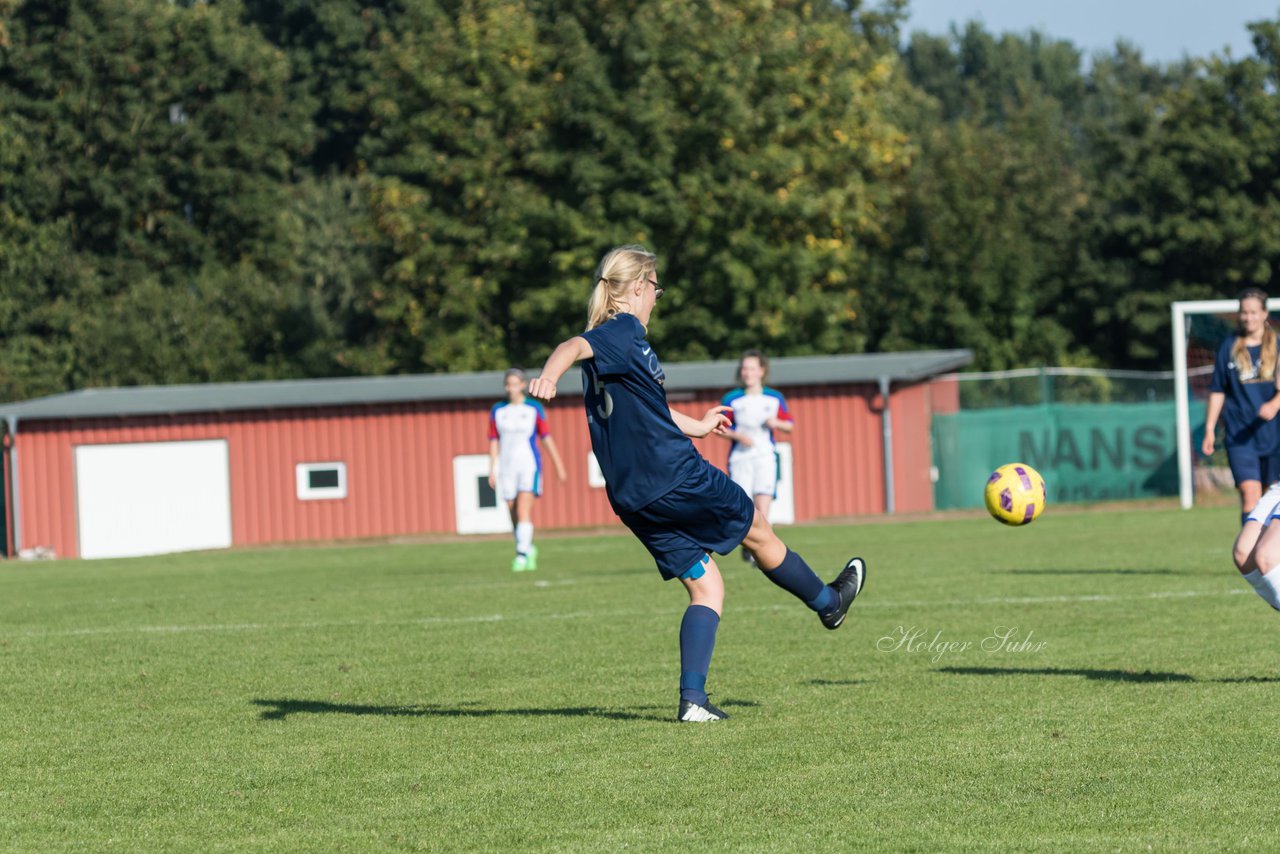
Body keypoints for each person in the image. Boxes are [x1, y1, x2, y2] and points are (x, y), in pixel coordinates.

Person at [527, 245, 866, 723]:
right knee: (759, 529)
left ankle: (693, 702)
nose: (657, 298)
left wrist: (698, 426)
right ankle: (830, 603)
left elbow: (648, 410)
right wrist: (547, 375)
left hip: (632, 497)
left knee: (707, 587)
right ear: (640, 287)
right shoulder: (621, 331)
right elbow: (572, 346)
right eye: (656, 289)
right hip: (676, 476)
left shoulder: (621, 347)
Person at [1202, 287, 1280, 522]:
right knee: (1250, 494)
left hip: (1273, 434)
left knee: (1270, 496)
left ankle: (1268, 554)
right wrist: (1209, 428)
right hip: (1240, 434)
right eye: (1244, 312)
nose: (1249, 317)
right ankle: (1249, 555)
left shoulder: (1277, 345)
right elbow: (1218, 390)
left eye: (1254, 312)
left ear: (1265, 313)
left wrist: (1275, 404)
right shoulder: (1229, 347)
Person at [488, 368, 567, 572]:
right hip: (507, 467)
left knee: (523, 509)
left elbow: (546, 437)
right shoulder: (498, 410)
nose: (511, 388)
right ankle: (527, 547)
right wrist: (492, 468)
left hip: (528, 465)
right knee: (512, 510)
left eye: (514, 384)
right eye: (508, 384)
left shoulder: (533, 408)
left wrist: (558, 465)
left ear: (522, 385)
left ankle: (521, 555)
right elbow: (494, 441)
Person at [719, 350, 794, 563]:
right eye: (744, 368)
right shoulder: (732, 399)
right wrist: (738, 436)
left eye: (752, 368)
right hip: (741, 458)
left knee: (764, 503)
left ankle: (763, 553)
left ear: (761, 371)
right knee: (743, 505)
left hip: (765, 456)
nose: (747, 372)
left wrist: (775, 423)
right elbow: (720, 427)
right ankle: (749, 541)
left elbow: (789, 425)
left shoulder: (774, 397)